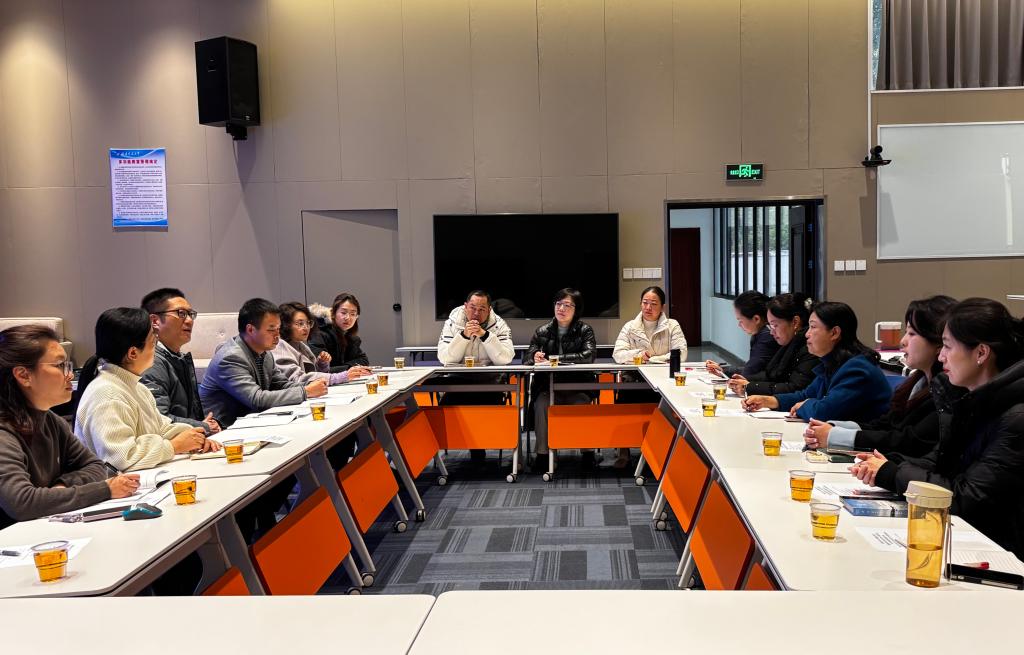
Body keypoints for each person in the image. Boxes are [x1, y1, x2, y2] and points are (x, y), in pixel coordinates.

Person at [851, 298, 1024, 559]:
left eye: (947, 346)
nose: (941, 356)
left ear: (981, 353)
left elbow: (966, 498)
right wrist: (888, 464)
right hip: (967, 540)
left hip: (996, 555)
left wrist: (891, 473)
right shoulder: (969, 400)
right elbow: (941, 461)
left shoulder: (1015, 418)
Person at [0, 325, 141, 529]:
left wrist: (62, 486)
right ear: (23, 375)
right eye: (60, 366)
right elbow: (22, 503)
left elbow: (96, 467)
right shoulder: (4, 433)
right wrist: (105, 490)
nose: (70, 375)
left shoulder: (50, 420)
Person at [804, 295, 955, 456]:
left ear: (938, 342)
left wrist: (835, 434)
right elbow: (885, 425)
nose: (902, 341)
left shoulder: (945, 394)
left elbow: (908, 442)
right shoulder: (917, 382)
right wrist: (833, 429)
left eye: (912, 333)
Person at [76, 308, 218, 472]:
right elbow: (121, 459)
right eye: (153, 342)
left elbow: (161, 428)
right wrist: (174, 446)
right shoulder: (107, 394)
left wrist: (194, 437)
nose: (156, 347)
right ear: (133, 353)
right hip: (118, 486)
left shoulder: (136, 387)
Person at [742, 301, 891, 423]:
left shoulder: (857, 369)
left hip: (865, 446)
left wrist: (805, 405)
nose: (807, 334)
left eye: (813, 327)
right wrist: (767, 401)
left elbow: (824, 412)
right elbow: (805, 395)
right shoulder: (833, 363)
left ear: (834, 333)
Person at [199, 298, 327, 428]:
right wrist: (305, 392)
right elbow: (257, 400)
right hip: (223, 429)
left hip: (252, 422)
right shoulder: (231, 357)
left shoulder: (265, 353)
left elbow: (282, 384)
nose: (277, 335)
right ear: (250, 329)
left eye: (278, 328)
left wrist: (312, 385)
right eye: (271, 330)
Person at [436, 290, 516, 468]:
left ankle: (479, 449)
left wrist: (485, 335)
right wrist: (463, 336)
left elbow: (505, 358)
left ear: (489, 310)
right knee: (444, 409)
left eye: (481, 309)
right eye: (472, 307)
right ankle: (462, 450)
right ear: (465, 306)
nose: (476, 313)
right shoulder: (452, 323)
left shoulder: (499, 325)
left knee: (488, 409)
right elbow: (444, 358)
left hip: (489, 382)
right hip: (458, 381)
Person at [610, 285, 687, 467]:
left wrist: (651, 359)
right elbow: (618, 354)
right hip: (634, 379)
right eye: (645, 303)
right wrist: (638, 355)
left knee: (664, 411)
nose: (648, 307)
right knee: (622, 405)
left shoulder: (672, 326)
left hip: (662, 381)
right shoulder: (630, 326)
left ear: (662, 307)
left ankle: (659, 453)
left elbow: (680, 353)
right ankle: (623, 452)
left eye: (653, 303)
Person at [524, 288, 598, 471]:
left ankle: (588, 453)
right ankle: (543, 455)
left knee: (582, 405)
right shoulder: (542, 331)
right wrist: (534, 357)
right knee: (541, 404)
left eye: (567, 305)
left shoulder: (585, 330)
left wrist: (555, 359)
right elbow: (527, 357)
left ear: (576, 309)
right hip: (548, 388)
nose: (561, 308)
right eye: (558, 304)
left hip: (577, 387)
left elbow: (589, 355)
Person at [139, 288, 220, 435]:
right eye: (181, 313)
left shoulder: (176, 357)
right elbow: (159, 419)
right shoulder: (151, 362)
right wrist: (203, 426)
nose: (189, 320)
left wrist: (206, 424)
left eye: (190, 314)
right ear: (155, 321)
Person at [727, 293, 818, 397]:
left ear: (795, 322)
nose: (771, 332)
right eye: (770, 326)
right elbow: (770, 375)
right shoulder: (790, 342)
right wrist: (747, 381)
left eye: (775, 325)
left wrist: (750, 386)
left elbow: (795, 388)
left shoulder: (810, 348)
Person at [273, 301, 371, 386]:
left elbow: (314, 374)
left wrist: (322, 365)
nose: (306, 327)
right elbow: (297, 379)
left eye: (308, 323)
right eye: (300, 323)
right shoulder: (280, 346)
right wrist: (341, 376)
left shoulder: (301, 345)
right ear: (285, 325)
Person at [706, 291, 779, 378]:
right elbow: (752, 368)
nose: (739, 325)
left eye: (740, 320)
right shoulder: (761, 333)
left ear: (756, 319)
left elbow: (750, 372)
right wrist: (723, 370)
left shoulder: (767, 336)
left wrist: (725, 371)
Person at [309, 293, 370, 372]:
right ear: (333, 313)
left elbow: (364, 360)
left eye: (353, 314)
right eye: (343, 313)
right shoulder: (319, 334)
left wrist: (347, 368)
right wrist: (349, 369)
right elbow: (320, 369)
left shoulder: (351, 337)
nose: (348, 318)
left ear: (356, 317)